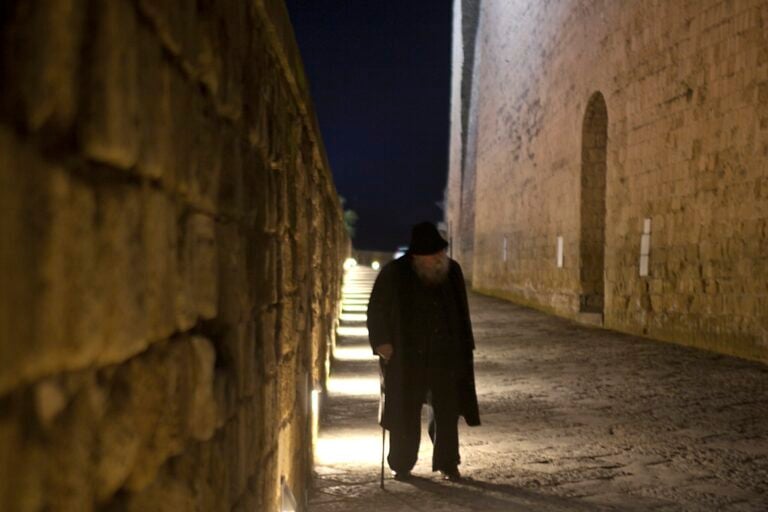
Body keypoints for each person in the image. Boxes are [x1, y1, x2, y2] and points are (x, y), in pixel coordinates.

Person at [367, 221, 480, 481]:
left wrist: (464, 347)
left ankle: (448, 462)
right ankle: (402, 462)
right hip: (407, 356)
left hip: (445, 356)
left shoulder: (452, 272)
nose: (439, 259)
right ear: (417, 256)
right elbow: (377, 310)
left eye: (441, 253)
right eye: (433, 255)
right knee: (405, 410)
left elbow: (461, 313)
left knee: (447, 411)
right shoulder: (394, 273)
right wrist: (382, 343)